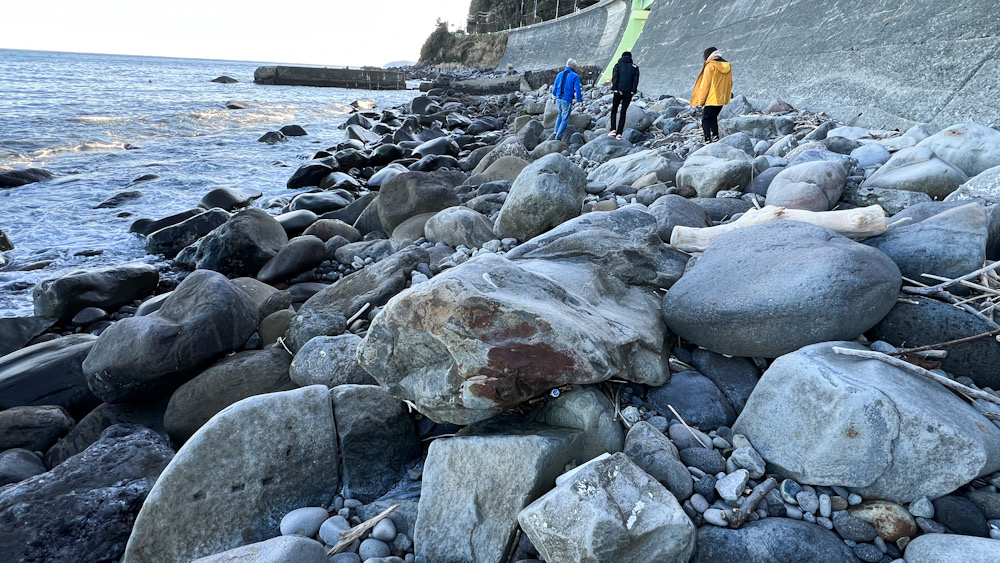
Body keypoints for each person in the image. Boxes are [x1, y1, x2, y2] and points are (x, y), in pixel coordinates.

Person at [690, 47, 733, 142]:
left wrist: (701, 100)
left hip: (712, 98)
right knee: (713, 117)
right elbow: (730, 83)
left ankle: (707, 139)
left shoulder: (710, 66)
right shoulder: (727, 65)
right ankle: (716, 136)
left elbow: (705, 85)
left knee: (705, 119)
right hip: (722, 98)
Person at [609, 51, 639, 139]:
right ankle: (619, 133)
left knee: (614, 109)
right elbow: (635, 80)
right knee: (623, 112)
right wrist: (633, 91)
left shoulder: (617, 66)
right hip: (628, 92)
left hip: (618, 91)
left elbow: (615, 77)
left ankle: (613, 129)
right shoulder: (634, 67)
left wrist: (615, 88)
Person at [551, 58, 583, 141]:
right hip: (566, 98)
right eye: (575, 66)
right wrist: (580, 100)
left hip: (558, 98)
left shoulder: (559, 74)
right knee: (565, 118)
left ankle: (555, 131)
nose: (576, 67)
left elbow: (555, 86)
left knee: (559, 115)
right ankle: (558, 136)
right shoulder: (575, 76)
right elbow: (577, 89)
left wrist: (553, 97)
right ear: (573, 66)